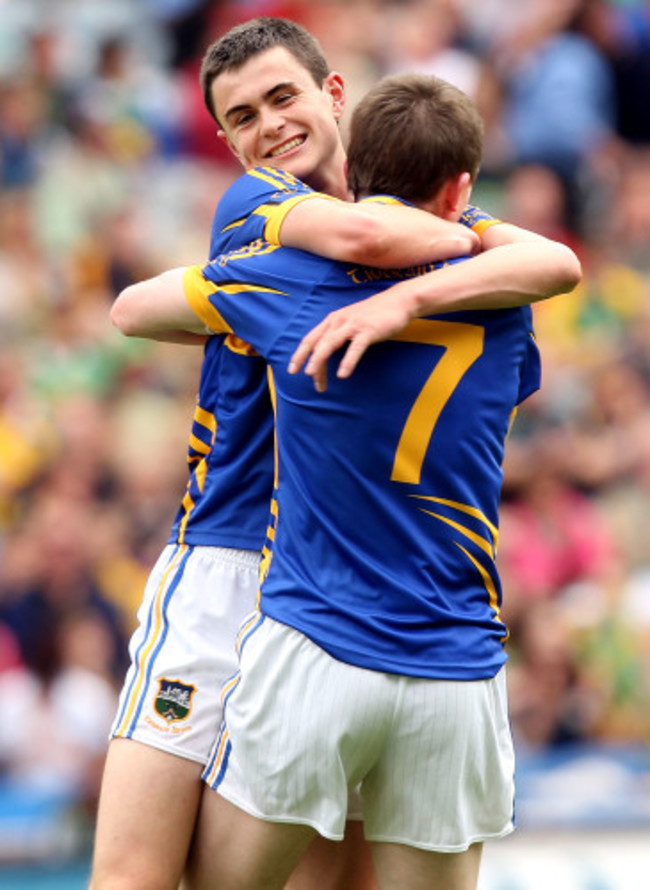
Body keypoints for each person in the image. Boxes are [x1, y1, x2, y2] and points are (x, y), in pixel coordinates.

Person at [110, 69, 581, 890]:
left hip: (313, 639)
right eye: (243, 115)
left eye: (281, 99)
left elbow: (135, 309)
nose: (270, 126)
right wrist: (446, 268)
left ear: (347, 142)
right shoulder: (505, 300)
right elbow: (554, 263)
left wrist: (239, 317)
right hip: (456, 662)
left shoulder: (278, 277)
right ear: (460, 186)